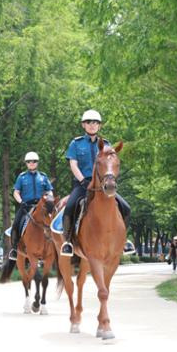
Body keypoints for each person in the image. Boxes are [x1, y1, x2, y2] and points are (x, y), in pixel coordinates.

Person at [60, 109, 135, 257]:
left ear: (99, 126)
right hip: (82, 184)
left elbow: (110, 164)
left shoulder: (106, 144)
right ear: (83, 125)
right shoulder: (76, 143)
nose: (92, 125)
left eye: (95, 123)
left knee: (126, 207)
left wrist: (110, 179)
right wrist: (82, 180)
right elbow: (73, 164)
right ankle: (68, 242)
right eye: (89, 122)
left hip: (102, 186)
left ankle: (123, 240)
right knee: (69, 207)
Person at [7, 151, 54, 261]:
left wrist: (49, 200)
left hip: (41, 206)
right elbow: (16, 192)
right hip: (26, 206)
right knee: (16, 224)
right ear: (26, 163)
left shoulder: (43, 176)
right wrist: (20, 201)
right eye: (29, 162)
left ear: (37, 163)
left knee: (52, 222)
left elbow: (50, 191)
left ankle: (58, 245)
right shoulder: (21, 177)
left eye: (34, 161)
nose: (31, 163)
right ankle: (14, 249)